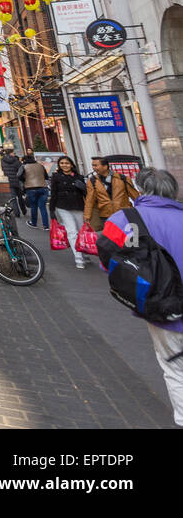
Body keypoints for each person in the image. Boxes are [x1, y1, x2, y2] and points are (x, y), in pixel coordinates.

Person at [101, 168, 183, 426]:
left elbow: (107, 262)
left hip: (164, 309)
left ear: (141, 189)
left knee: (175, 370)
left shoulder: (124, 219)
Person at [48, 156, 89, 268]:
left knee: (81, 231)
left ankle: (84, 253)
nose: (64, 165)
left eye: (67, 163)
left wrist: (83, 188)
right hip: (63, 207)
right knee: (72, 231)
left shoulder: (79, 177)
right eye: (62, 163)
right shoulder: (56, 177)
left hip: (78, 206)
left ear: (71, 165)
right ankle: (78, 258)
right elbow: (54, 194)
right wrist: (52, 210)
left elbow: (86, 195)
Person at [84, 157, 139, 229]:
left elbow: (135, 196)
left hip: (124, 213)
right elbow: (90, 200)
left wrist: (143, 210)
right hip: (106, 216)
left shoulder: (122, 178)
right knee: (111, 238)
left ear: (105, 166)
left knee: (128, 237)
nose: (93, 168)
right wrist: (87, 216)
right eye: (93, 166)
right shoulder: (92, 181)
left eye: (96, 165)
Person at [21, 153, 50, 230]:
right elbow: (46, 176)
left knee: (34, 207)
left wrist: (25, 180)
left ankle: (34, 223)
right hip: (43, 187)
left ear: (24, 160)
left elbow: (18, 175)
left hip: (31, 188)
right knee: (43, 207)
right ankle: (46, 225)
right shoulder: (40, 166)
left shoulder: (24, 166)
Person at [1, 145, 24, 217]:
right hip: (17, 181)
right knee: (20, 197)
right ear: (11, 153)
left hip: (9, 181)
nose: (14, 154)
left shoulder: (2, 161)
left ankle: (17, 213)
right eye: (13, 153)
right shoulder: (16, 161)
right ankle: (24, 210)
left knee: (13, 198)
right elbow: (21, 169)